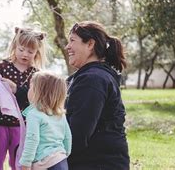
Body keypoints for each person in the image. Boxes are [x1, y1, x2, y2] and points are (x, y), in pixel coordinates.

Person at [64, 21, 129, 169]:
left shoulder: (92, 80)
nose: (67, 47)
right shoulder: (87, 76)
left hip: (98, 163)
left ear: (90, 44)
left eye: (72, 41)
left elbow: (78, 136)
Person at [0, 27, 47, 170]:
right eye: (21, 49)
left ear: (36, 52)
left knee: (19, 161)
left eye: (30, 52)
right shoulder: (3, 67)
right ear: (14, 47)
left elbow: (36, 99)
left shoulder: (35, 74)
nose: (25, 54)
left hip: (22, 125)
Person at [19, 71, 71, 170]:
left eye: (31, 87)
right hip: (61, 159)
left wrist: (26, 163)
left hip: (44, 163)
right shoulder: (60, 114)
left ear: (38, 92)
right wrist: (65, 153)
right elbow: (67, 136)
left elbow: (32, 139)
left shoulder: (34, 114)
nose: (28, 90)